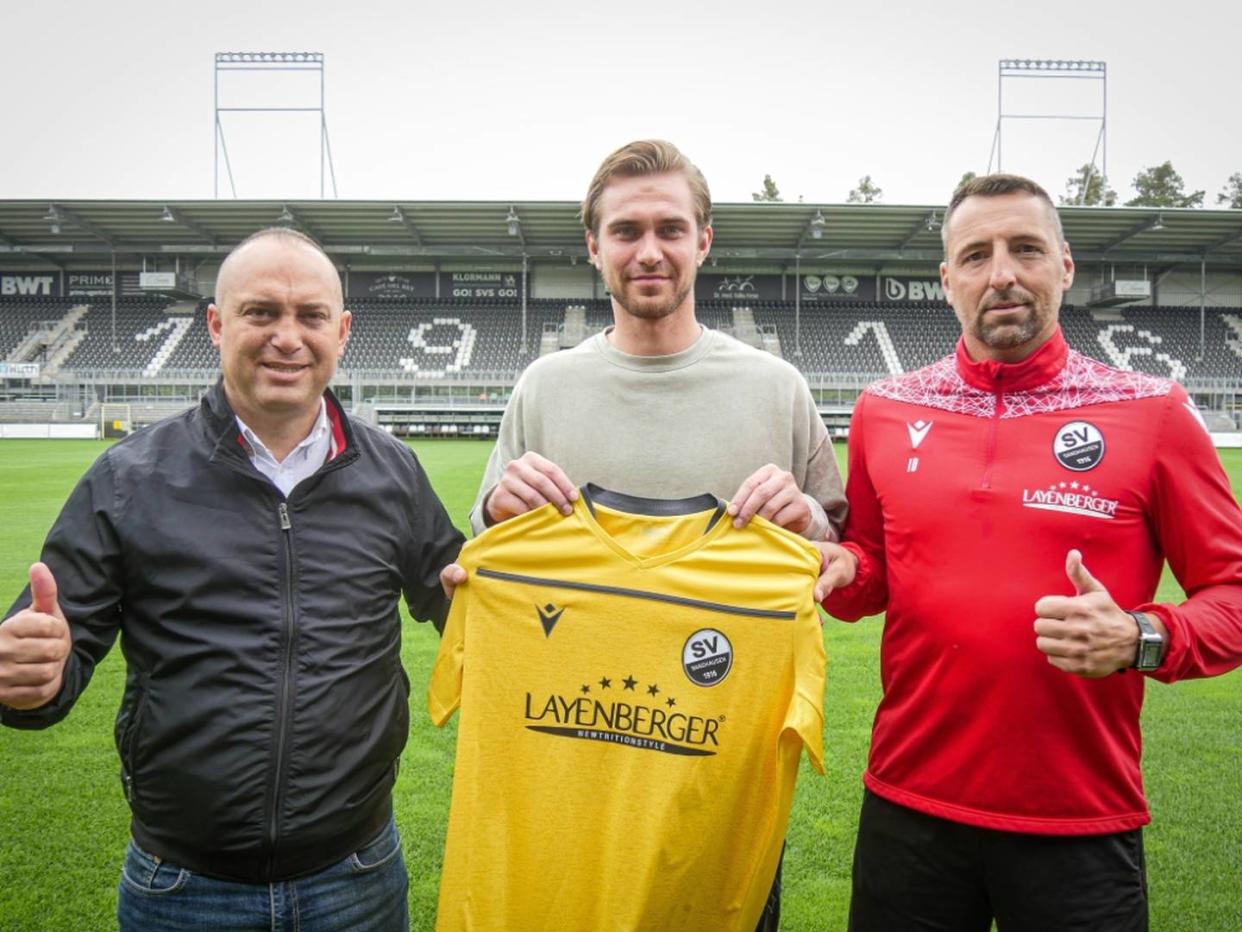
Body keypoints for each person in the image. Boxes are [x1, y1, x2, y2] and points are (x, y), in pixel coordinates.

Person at [0, 228, 464, 931]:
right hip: (184, 888)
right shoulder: (129, 479)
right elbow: (51, 656)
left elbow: (460, 604)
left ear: (341, 332)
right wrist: (31, 677)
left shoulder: (393, 472)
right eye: (261, 312)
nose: (288, 337)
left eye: (310, 316)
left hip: (358, 876)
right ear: (217, 325)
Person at [817, 174, 1242, 931]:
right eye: (976, 255)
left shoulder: (1153, 413)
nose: (1002, 272)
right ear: (947, 280)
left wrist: (1144, 636)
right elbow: (870, 577)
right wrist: (845, 569)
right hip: (908, 807)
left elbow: (1233, 593)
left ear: (1065, 265)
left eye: (1026, 249)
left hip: (1080, 821)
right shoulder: (886, 410)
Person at [448, 139, 848, 930]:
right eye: (626, 231)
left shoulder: (777, 388)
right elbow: (481, 540)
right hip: (568, 773)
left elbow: (839, 541)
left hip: (715, 784)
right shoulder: (544, 386)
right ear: (594, 247)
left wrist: (809, 523)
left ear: (704, 240)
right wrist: (496, 511)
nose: (650, 251)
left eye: (671, 228)